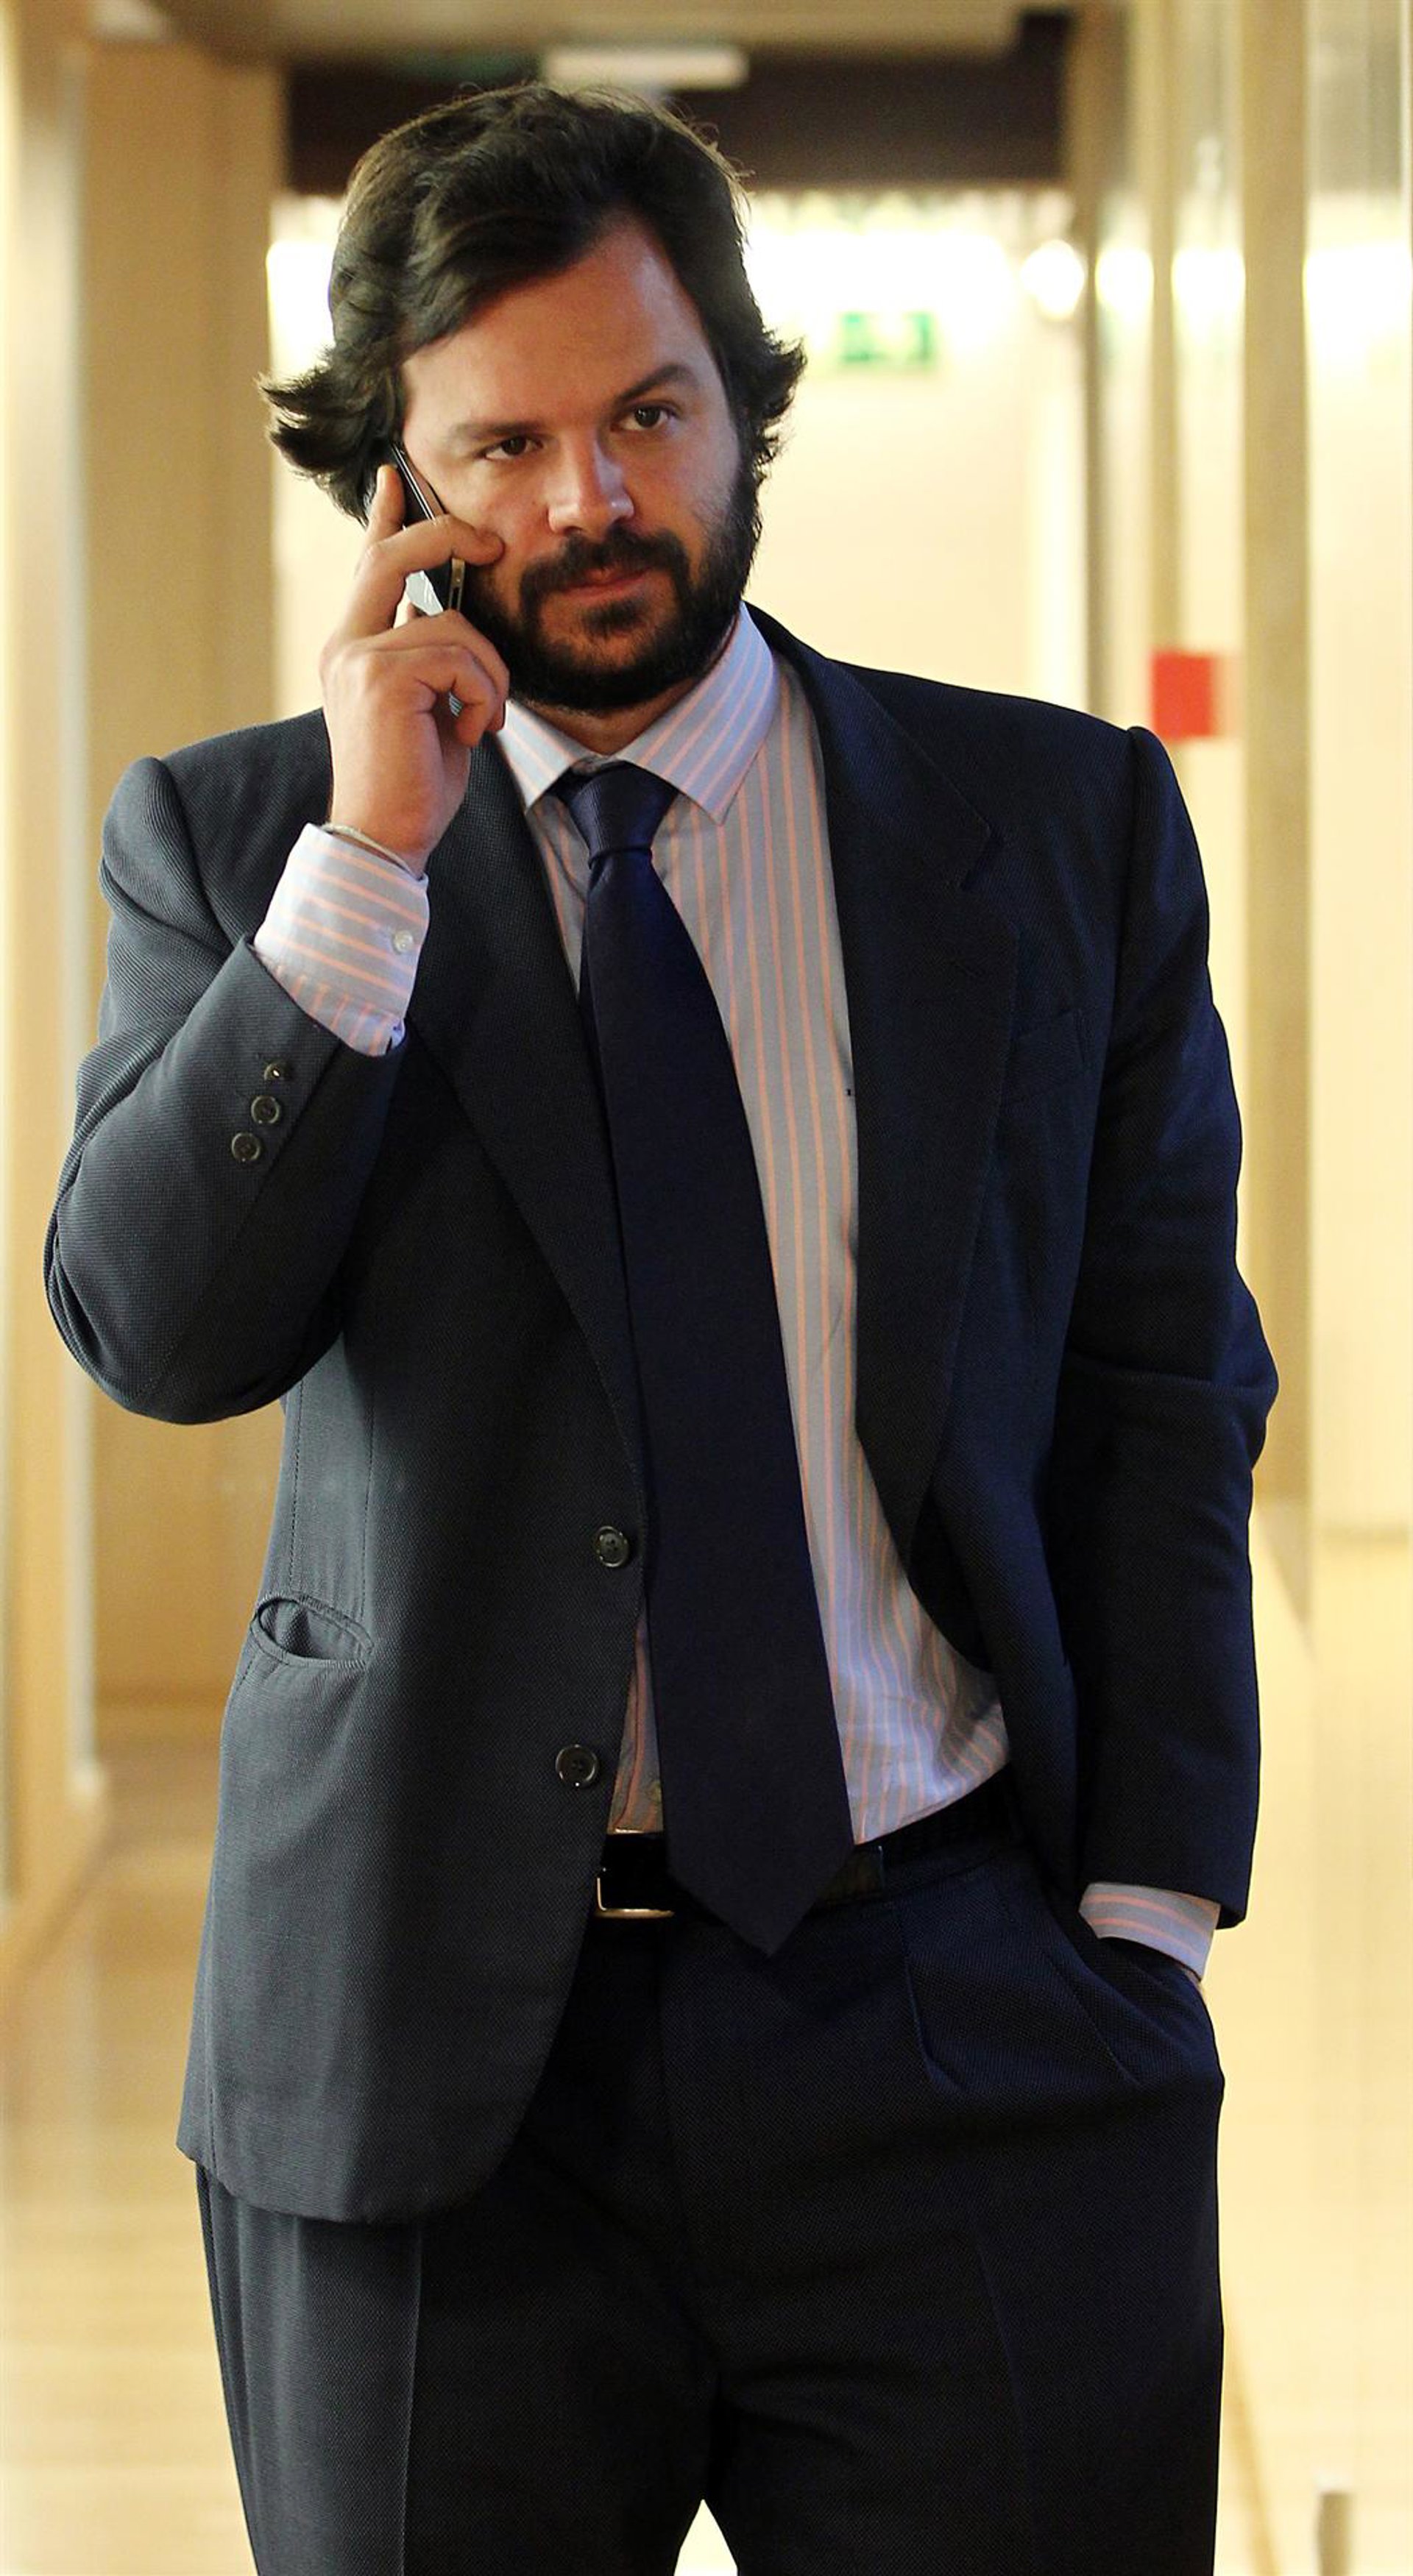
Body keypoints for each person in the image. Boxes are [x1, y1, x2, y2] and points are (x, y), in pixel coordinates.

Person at [45, 78, 1277, 2576]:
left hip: (963, 2018)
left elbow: (1164, 1379)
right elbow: (158, 1331)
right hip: (429, 2073)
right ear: (392, 484)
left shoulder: (1053, 829)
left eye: (650, 414)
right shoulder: (244, 843)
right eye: (506, 446)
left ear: (744, 407)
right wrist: (368, 865)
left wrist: (1145, 1915)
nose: (594, 500)